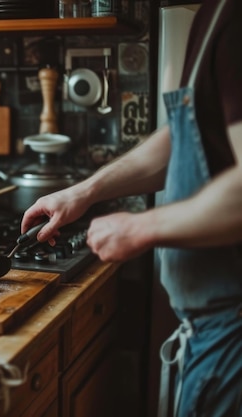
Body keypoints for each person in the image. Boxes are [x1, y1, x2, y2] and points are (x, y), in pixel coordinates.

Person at [20, 1, 242, 416]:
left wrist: (140, 228)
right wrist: (83, 193)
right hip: (211, 336)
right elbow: (179, 138)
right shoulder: (214, 14)